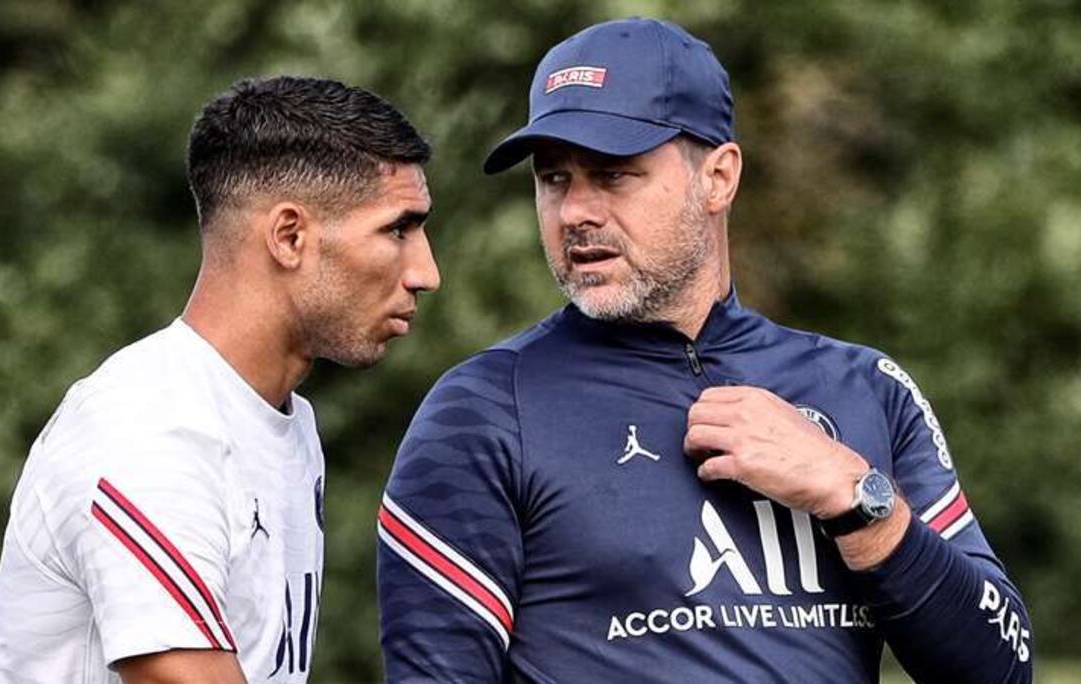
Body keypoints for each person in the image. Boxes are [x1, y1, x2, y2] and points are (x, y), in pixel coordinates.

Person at [378, 18, 1032, 684]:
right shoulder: (483, 411)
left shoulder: (866, 389)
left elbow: (1001, 669)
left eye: (612, 174)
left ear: (718, 178)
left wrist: (852, 496)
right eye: (553, 179)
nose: (575, 211)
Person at [0, 76, 440, 684]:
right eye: (398, 230)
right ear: (290, 236)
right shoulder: (148, 427)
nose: (426, 272)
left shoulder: (284, 422)